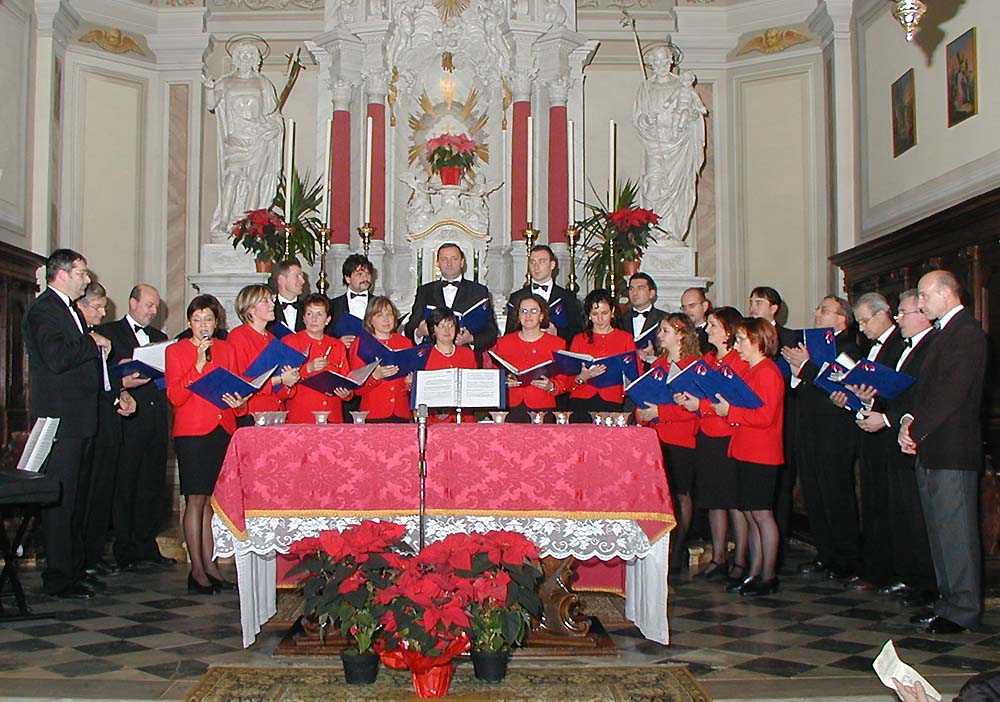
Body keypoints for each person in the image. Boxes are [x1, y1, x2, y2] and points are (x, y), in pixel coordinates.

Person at [23, 249, 117, 598]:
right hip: (61, 421)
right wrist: (90, 342)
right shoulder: (43, 310)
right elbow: (57, 358)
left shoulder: (70, 310)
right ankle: (59, 576)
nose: (87, 279)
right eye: (81, 273)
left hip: (80, 419)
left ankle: (75, 568)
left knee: (77, 498)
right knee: (61, 500)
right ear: (61, 274)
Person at [899, 270, 987, 635]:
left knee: (956, 533)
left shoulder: (966, 334)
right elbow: (926, 392)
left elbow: (952, 394)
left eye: (924, 295)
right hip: (934, 447)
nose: (920, 302)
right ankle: (947, 603)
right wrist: (908, 421)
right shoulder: (943, 334)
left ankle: (963, 610)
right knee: (940, 532)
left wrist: (916, 430)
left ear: (946, 293)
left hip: (952, 450)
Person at [853, 289, 937, 608]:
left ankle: (924, 583)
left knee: (914, 514)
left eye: (903, 313)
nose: (898, 319)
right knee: (897, 511)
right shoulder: (908, 346)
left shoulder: (931, 346)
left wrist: (887, 418)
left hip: (911, 439)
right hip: (892, 437)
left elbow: (920, 396)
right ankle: (907, 575)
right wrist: (869, 401)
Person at [165, 295, 247, 594]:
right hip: (192, 432)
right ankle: (196, 569)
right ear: (189, 322)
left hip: (221, 429)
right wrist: (198, 365)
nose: (203, 325)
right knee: (195, 499)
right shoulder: (176, 351)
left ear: (216, 322)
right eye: (197, 320)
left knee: (212, 501)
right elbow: (175, 396)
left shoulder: (227, 349)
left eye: (208, 319)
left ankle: (211, 566)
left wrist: (239, 403)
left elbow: (236, 389)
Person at [95, 284, 174, 570]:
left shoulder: (160, 339)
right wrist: (123, 378)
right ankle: (125, 548)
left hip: (155, 420)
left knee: (152, 485)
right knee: (126, 486)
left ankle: (147, 544)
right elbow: (103, 375)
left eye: (156, 307)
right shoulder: (110, 334)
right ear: (132, 303)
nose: (153, 311)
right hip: (127, 421)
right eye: (149, 305)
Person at [783, 296, 862, 580]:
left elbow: (839, 383)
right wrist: (796, 372)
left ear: (842, 319)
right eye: (818, 309)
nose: (817, 313)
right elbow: (802, 387)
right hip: (809, 428)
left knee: (835, 493)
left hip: (834, 432)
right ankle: (825, 553)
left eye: (825, 310)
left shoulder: (850, 347)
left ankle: (847, 557)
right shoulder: (814, 345)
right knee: (814, 493)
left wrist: (806, 366)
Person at [832, 293, 904, 592]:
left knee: (889, 507)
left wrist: (878, 408)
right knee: (872, 505)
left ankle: (889, 571)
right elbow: (874, 393)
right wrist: (855, 398)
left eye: (864, 321)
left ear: (883, 314)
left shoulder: (899, 344)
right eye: (859, 322)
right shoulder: (870, 346)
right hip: (869, 432)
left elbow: (901, 393)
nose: (861, 328)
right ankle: (874, 568)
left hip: (889, 435)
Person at [713, 317, 784, 596]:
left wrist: (730, 411)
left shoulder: (767, 372)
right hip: (746, 449)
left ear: (758, 341)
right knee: (752, 515)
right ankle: (754, 572)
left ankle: (768, 575)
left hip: (761, 452)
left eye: (741, 339)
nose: (737, 345)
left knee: (762, 515)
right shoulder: (752, 371)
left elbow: (765, 416)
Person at [675, 306, 747, 583]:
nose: (708, 330)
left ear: (728, 330)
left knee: (734, 501)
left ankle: (740, 560)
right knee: (715, 500)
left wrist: (700, 405)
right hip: (706, 434)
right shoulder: (708, 359)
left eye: (714, 325)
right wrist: (686, 397)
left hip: (728, 435)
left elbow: (732, 402)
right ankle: (718, 557)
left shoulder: (738, 361)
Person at [75, 283, 136, 578]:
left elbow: (105, 381)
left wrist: (120, 393)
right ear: (81, 306)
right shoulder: (78, 339)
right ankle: (81, 557)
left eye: (104, 306)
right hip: (89, 425)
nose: (103, 312)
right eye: (97, 307)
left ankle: (94, 553)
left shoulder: (99, 337)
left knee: (102, 494)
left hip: (107, 423)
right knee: (86, 496)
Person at [635, 313, 701, 577]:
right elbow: (647, 395)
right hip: (657, 436)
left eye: (665, 331)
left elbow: (693, 409)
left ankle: (678, 548)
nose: (660, 336)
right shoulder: (659, 364)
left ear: (680, 335)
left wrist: (660, 411)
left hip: (682, 437)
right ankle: (662, 544)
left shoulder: (694, 366)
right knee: (662, 494)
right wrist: (643, 412)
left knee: (681, 493)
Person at [203, 39, 284, 242]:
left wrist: (274, 129)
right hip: (237, 138)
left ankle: (250, 225)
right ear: (236, 58)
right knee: (232, 176)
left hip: (259, 136)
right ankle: (224, 221)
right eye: (242, 54)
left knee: (254, 180)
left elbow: (273, 114)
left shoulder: (263, 83)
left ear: (255, 59)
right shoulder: (226, 82)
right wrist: (209, 89)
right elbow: (211, 105)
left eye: (249, 55)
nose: (246, 58)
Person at [632, 42, 707, 240]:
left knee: (677, 189)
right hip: (654, 144)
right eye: (657, 62)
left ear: (671, 61)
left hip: (679, 145)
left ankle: (672, 232)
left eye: (665, 60)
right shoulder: (646, 88)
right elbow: (637, 117)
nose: (661, 65)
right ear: (651, 63)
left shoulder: (681, 85)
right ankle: (654, 230)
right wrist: (645, 120)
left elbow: (696, 113)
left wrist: (690, 117)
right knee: (653, 184)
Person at [748, 285, 798, 570]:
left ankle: (774, 557)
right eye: (751, 302)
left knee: (777, 491)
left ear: (774, 308)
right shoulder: (750, 347)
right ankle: (758, 562)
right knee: (754, 506)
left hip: (781, 419)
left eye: (758, 302)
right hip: (753, 429)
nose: (753, 307)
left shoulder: (788, 339)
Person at [404, 243, 499, 363]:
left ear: (462, 262)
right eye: (444, 259)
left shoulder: (479, 291)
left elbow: (491, 332)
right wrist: (419, 332)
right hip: (431, 359)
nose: (449, 264)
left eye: (454, 259)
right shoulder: (425, 291)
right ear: (438, 263)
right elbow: (410, 328)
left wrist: (471, 339)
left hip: (468, 359)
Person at [227, 284, 301, 422]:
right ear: (250, 309)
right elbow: (241, 383)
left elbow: (281, 391)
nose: (272, 304)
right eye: (265, 301)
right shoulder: (238, 336)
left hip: (277, 412)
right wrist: (280, 379)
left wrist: (289, 380)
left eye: (271, 299)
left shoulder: (272, 338)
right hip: (253, 413)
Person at [493, 295, 569, 422]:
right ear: (518, 316)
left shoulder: (557, 344)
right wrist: (504, 383)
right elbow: (494, 375)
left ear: (541, 316)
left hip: (542, 406)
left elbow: (565, 379)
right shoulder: (504, 342)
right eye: (523, 311)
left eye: (533, 311)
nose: (528, 315)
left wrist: (551, 386)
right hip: (510, 405)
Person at [567, 289, 638, 423]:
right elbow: (568, 377)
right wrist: (582, 378)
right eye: (595, 314)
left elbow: (634, 373)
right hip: (581, 398)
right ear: (589, 315)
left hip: (611, 398)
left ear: (612, 312)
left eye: (604, 313)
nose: (600, 319)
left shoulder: (625, 338)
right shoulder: (579, 339)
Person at [283, 294, 352, 424]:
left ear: (328, 319)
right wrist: (307, 369)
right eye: (309, 314)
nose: (314, 319)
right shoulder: (290, 342)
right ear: (304, 318)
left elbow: (346, 379)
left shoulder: (338, 345)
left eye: (319, 314)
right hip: (302, 415)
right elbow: (282, 384)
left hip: (333, 415)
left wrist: (346, 393)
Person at [350, 296, 413, 423]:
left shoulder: (405, 343)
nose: (386, 319)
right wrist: (375, 377)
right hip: (373, 412)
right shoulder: (361, 344)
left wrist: (409, 383)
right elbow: (356, 389)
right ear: (370, 319)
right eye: (379, 315)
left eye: (389, 314)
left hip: (401, 412)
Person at [504, 245, 582, 344]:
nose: (536, 267)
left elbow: (578, 333)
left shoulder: (567, 297)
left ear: (552, 265)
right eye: (532, 262)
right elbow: (509, 334)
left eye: (542, 261)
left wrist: (557, 332)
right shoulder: (516, 297)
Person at [423, 307, 478, 423]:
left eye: (451, 325)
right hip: (435, 421)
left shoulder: (468, 354)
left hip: (465, 419)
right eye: (441, 326)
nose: (447, 330)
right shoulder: (424, 356)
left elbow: (474, 386)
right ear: (433, 330)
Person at [327, 254, 375, 347]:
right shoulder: (333, 305)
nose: (365, 278)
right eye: (360, 274)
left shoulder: (379, 304)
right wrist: (338, 342)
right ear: (347, 278)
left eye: (368, 273)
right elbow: (325, 335)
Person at [627, 273, 667, 361]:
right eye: (631, 289)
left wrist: (654, 354)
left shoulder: (665, 319)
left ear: (651, 293)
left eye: (640, 288)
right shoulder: (619, 320)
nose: (634, 293)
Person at [268, 259, 306, 334]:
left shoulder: (307, 308)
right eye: (297, 276)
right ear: (281, 279)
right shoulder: (268, 309)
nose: (303, 281)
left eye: (302, 277)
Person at [680, 287, 714, 354]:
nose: (687, 311)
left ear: (704, 306)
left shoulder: (713, 333)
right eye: (684, 307)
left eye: (691, 306)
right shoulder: (680, 332)